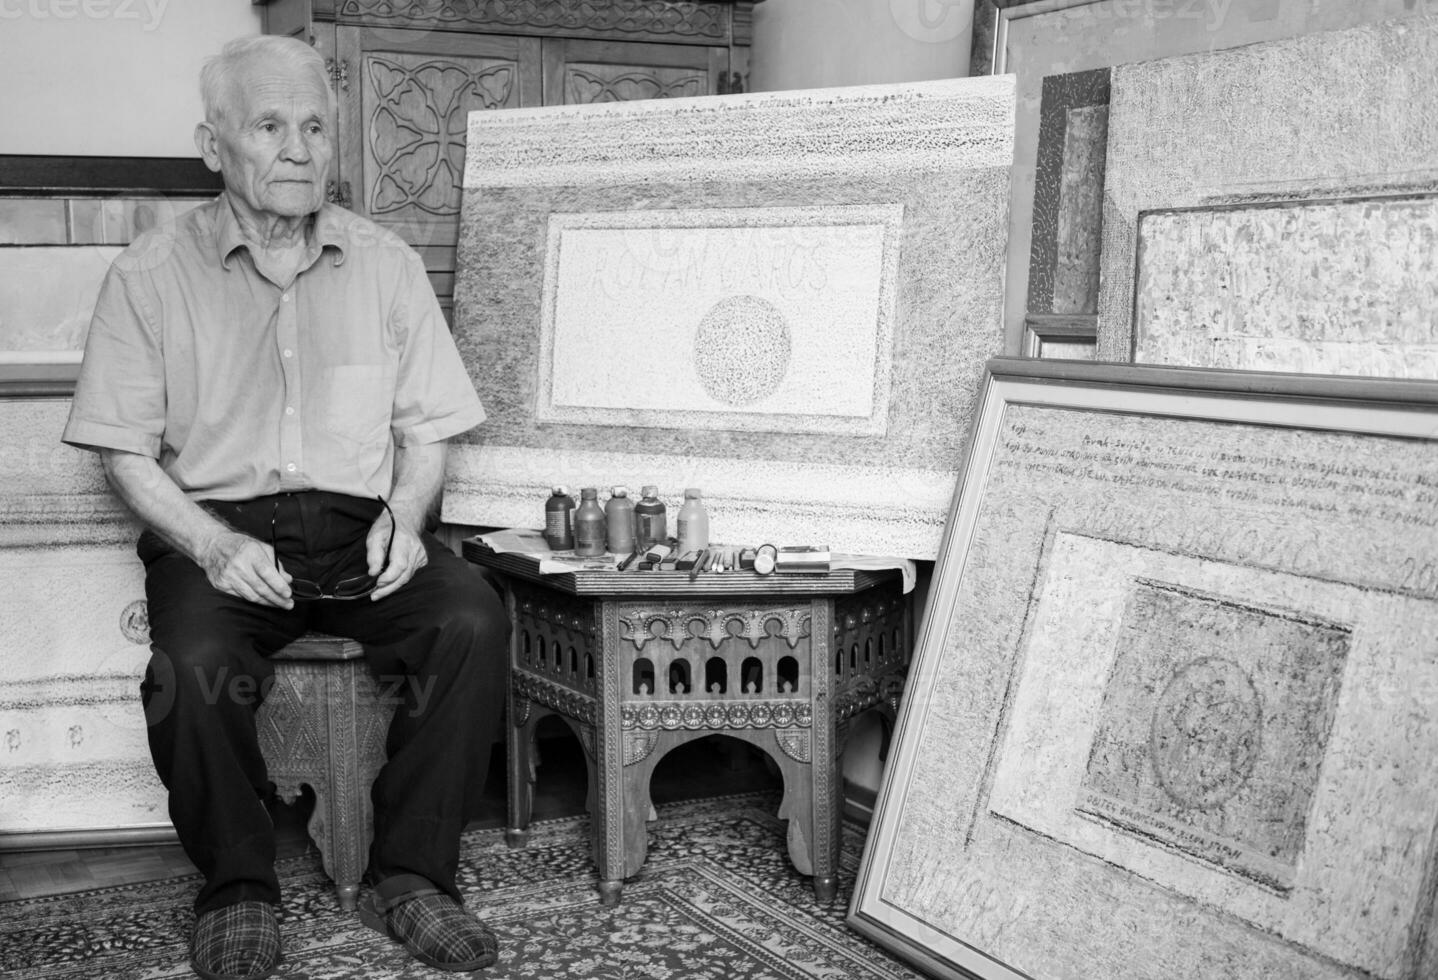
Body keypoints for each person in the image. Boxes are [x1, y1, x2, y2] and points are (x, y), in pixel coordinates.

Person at [62, 34, 508, 980]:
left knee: (470, 618)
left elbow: (429, 427)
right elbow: (123, 454)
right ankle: (238, 886)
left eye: (314, 125)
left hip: (361, 530)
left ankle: (414, 876)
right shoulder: (149, 276)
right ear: (213, 145)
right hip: (217, 533)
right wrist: (211, 547)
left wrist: (408, 511)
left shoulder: (385, 265)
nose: (299, 148)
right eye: (270, 125)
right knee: (191, 664)